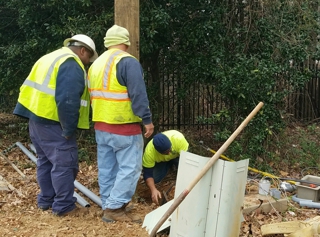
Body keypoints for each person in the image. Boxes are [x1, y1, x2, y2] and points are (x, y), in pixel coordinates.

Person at [13, 34, 98, 217]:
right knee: (64, 164)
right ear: (83, 51)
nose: (87, 63)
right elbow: (67, 100)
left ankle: (46, 200)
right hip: (54, 122)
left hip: (37, 119)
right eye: (88, 59)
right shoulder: (71, 64)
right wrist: (68, 128)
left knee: (45, 162)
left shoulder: (50, 57)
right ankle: (64, 206)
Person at [88, 24, 154, 223]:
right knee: (130, 167)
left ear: (107, 42)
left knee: (107, 167)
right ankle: (115, 208)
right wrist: (147, 120)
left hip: (101, 125)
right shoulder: (128, 62)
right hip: (124, 125)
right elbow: (138, 94)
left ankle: (109, 203)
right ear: (126, 42)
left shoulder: (95, 65)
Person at [142, 131, 189, 204]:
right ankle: (168, 166)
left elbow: (187, 161)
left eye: (169, 150)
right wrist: (153, 190)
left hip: (178, 157)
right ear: (157, 151)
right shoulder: (149, 152)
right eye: (165, 152)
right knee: (155, 178)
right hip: (162, 161)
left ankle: (174, 166)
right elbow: (148, 174)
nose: (169, 153)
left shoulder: (178, 139)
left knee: (184, 170)